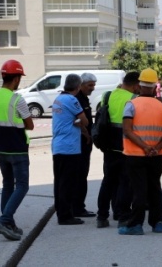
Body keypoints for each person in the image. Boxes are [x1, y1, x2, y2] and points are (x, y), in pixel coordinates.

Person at [119, 68, 162, 235]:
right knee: (155, 188)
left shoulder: (131, 105)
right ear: (155, 87)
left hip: (136, 155)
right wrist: (155, 147)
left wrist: (144, 146)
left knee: (139, 190)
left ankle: (135, 224)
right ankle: (157, 223)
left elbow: (127, 130)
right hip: (156, 156)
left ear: (139, 86)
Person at [0, 60, 33, 241]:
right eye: (19, 78)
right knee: (22, 186)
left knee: (7, 184)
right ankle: (4, 220)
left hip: (0, 149)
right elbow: (29, 125)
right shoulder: (17, 99)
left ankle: (9, 224)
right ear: (15, 79)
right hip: (17, 149)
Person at [95, 71, 140, 228]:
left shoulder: (107, 95)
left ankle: (101, 216)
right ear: (135, 85)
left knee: (108, 181)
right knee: (124, 182)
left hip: (108, 146)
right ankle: (122, 216)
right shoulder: (134, 99)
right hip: (125, 146)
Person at [52, 74, 89, 225]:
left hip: (58, 146)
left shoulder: (58, 99)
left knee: (59, 182)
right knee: (68, 183)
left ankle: (61, 211)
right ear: (78, 86)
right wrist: (78, 122)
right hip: (69, 147)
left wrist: (75, 121)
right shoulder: (72, 100)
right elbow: (85, 120)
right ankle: (66, 216)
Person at [73, 73, 97, 218]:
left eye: (93, 85)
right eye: (90, 85)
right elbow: (77, 120)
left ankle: (78, 206)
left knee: (82, 175)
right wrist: (86, 134)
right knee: (80, 176)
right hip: (80, 144)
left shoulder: (84, 99)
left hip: (85, 144)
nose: (92, 88)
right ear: (81, 85)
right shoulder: (78, 100)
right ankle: (78, 208)